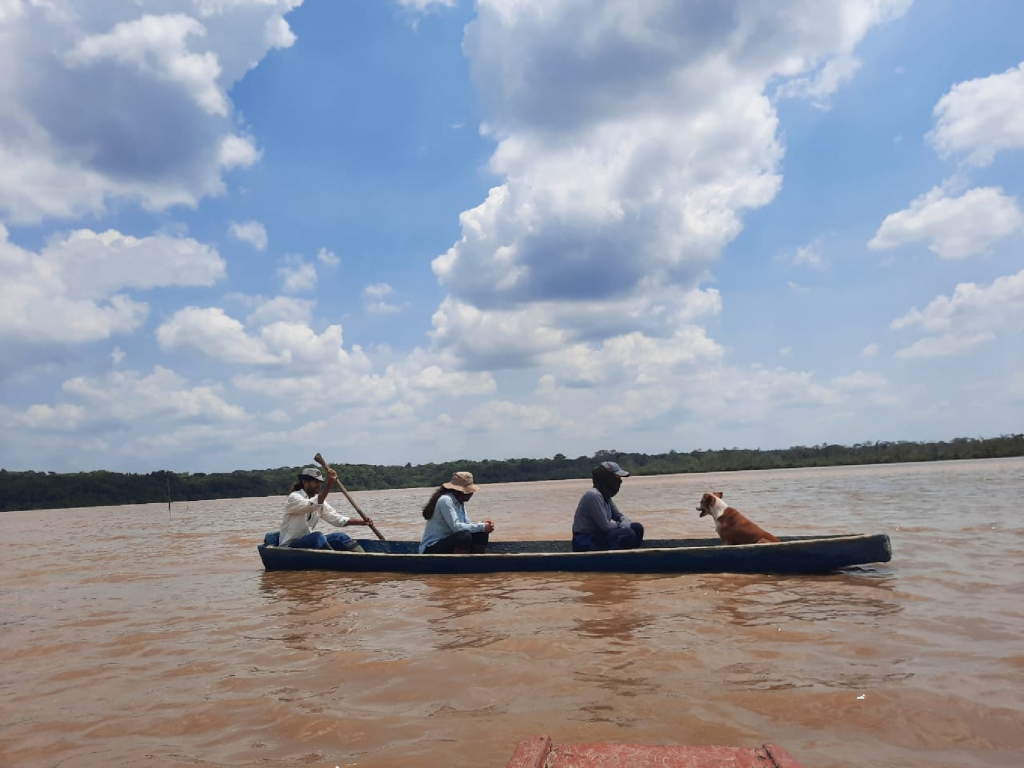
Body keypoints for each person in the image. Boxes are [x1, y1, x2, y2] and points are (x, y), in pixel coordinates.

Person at [278, 466, 374, 552]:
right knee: (317, 536)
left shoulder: (320, 503)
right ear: (305, 482)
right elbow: (311, 505)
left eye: (320, 482)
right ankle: (335, 559)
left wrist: (362, 522)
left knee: (340, 537)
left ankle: (364, 556)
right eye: (316, 482)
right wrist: (329, 485)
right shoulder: (294, 498)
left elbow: (337, 519)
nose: (319, 485)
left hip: (308, 542)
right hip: (290, 546)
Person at [571, 461, 644, 551]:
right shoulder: (594, 495)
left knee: (637, 528)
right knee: (627, 533)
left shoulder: (606, 496)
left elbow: (619, 515)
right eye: (617, 478)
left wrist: (625, 521)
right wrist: (621, 525)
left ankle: (629, 558)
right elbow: (605, 527)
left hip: (598, 536)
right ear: (607, 479)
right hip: (584, 540)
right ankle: (613, 560)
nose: (620, 481)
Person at [419, 471, 495, 554]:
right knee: (464, 536)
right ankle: (461, 564)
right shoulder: (445, 500)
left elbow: (466, 524)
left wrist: (483, 525)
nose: (470, 494)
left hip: (448, 544)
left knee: (481, 533)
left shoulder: (460, 502)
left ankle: (477, 562)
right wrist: (482, 526)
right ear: (457, 491)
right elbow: (456, 528)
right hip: (431, 548)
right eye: (467, 492)